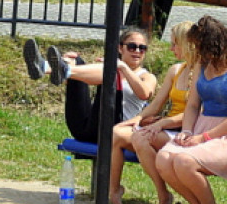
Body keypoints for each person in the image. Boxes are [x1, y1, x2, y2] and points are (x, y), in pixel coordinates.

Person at [155, 15, 227, 204]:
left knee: (185, 162)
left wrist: (204, 138)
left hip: (221, 134)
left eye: (200, 47)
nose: (197, 52)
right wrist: (187, 130)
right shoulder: (202, 65)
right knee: (164, 158)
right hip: (200, 128)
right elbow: (193, 105)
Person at [25, 28, 157, 144]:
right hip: (84, 127)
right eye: (132, 47)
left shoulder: (146, 76)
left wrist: (122, 67)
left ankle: (57, 68)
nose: (137, 51)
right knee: (77, 61)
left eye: (142, 48)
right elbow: (75, 90)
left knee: (111, 72)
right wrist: (71, 66)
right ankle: (47, 67)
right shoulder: (110, 67)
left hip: (114, 131)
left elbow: (145, 93)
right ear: (120, 48)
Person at [129, 21, 197, 204]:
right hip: (171, 127)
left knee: (141, 138)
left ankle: (183, 201)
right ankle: (163, 195)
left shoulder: (203, 71)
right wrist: (137, 119)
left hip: (190, 129)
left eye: (174, 44)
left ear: (186, 45)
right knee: (134, 136)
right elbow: (156, 103)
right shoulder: (176, 70)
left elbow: (195, 113)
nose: (171, 48)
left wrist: (161, 124)